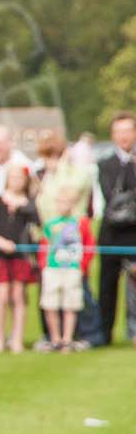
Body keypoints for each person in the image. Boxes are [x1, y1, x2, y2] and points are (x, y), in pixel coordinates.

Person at [0, 166, 40, 353]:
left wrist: (22, 206)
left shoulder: (29, 205)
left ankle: (17, 339)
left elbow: (36, 223)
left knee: (18, 296)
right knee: (1, 296)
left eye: (19, 177)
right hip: (1, 254)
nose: (16, 180)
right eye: (13, 177)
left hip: (21, 254)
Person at [37, 184, 95, 353]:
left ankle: (67, 339)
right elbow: (44, 246)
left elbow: (89, 246)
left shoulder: (80, 223)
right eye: (59, 202)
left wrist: (82, 266)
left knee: (71, 304)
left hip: (72, 269)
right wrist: (44, 266)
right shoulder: (50, 224)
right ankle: (55, 338)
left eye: (66, 202)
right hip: (52, 269)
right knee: (50, 304)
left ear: (74, 203)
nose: (62, 205)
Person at [96, 112, 136, 346]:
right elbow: (110, 195)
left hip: (133, 232)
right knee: (107, 285)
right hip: (111, 232)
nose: (123, 136)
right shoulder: (105, 164)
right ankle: (104, 334)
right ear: (113, 135)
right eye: (119, 132)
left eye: (127, 131)